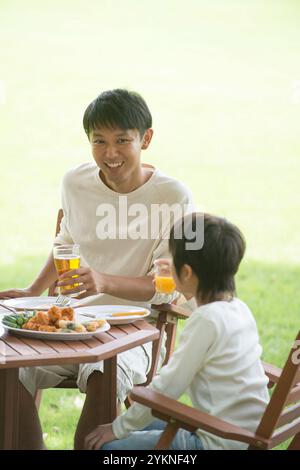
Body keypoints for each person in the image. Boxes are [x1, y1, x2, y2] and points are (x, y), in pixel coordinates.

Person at [0, 89, 194, 449]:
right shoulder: (76, 183)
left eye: (122, 141)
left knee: (103, 374)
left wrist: (104, 281)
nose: (110, 153)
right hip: (67, 320)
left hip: (135, 328)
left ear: (146, 139)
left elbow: (169, 286)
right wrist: (32, 290)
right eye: (99, 141)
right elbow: (66, 240)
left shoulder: (173, 196)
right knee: (8, 369)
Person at [84, 213, 270, 451]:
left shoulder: (206, 321)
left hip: (214, 443)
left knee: (109, 450)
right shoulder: (237, 310)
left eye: (175, 260)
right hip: (243, 436)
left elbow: (166, 389)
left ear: (187, 273)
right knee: (135, 424)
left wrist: (117, 429)